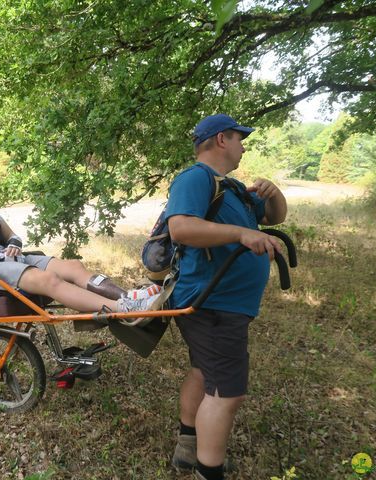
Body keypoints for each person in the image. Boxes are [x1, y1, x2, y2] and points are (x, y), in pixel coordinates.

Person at [165, 114, 287, 480]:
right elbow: (181, 228)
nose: (244, 145)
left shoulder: (231, 187)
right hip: (212, 303)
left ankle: (188, 447)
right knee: (227, 394)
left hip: (217, 302)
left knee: (205, 373)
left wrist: (274, 194)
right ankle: (208, 471)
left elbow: (276, 217)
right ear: (221, 139)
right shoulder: (195, 178)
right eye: (240, 138)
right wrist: (240, 234)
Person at [0, 151, 162, 317]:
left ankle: (129, 297)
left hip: (6, 259)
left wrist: (14, 245)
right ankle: (124, 310)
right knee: (48, 279)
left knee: (73, 267)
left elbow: (12, 235)